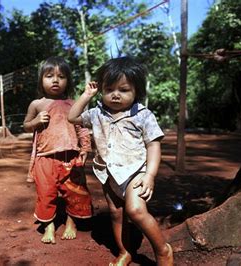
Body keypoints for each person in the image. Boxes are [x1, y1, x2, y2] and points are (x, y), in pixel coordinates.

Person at [68, 57, 173, 265]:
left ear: (136, 91)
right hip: (107, 172)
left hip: (136, 172)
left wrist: (150, 175)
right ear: (102, 90)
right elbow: (72, 117)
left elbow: (153, 145)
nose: (115, 95)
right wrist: (86, 95)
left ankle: (163, 250)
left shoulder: (143, 115)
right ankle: (124, 251)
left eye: (123, 90)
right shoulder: (97, 113)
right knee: (116, 213)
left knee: (135, 210)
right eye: (109, 89)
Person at [23, 56, 93, 244]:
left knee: (74, 192)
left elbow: (82, 127)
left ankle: (71, 223)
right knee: (46, 193)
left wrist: (85, 147)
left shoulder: (73, 104)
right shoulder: (36, 104)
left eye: (61, 76)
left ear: (68, 81)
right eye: (49, 76)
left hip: (71, 156)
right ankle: (49, 225)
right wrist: (36, 122)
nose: (55, 80)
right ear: (41, 80)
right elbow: (26, 125)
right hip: (45, 158)